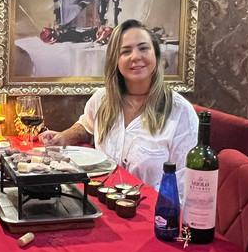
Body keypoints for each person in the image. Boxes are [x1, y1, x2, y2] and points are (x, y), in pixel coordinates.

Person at [40, 19, 198, 193]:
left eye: (143, 48)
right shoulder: (101, 99)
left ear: (157, 55)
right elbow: (87, 127)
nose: (135, 56)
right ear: (115, 60)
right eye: (125, 51)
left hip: (153, 208)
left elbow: (185, 188)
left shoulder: (181, 113)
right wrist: (65, 136)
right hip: (102, 201)